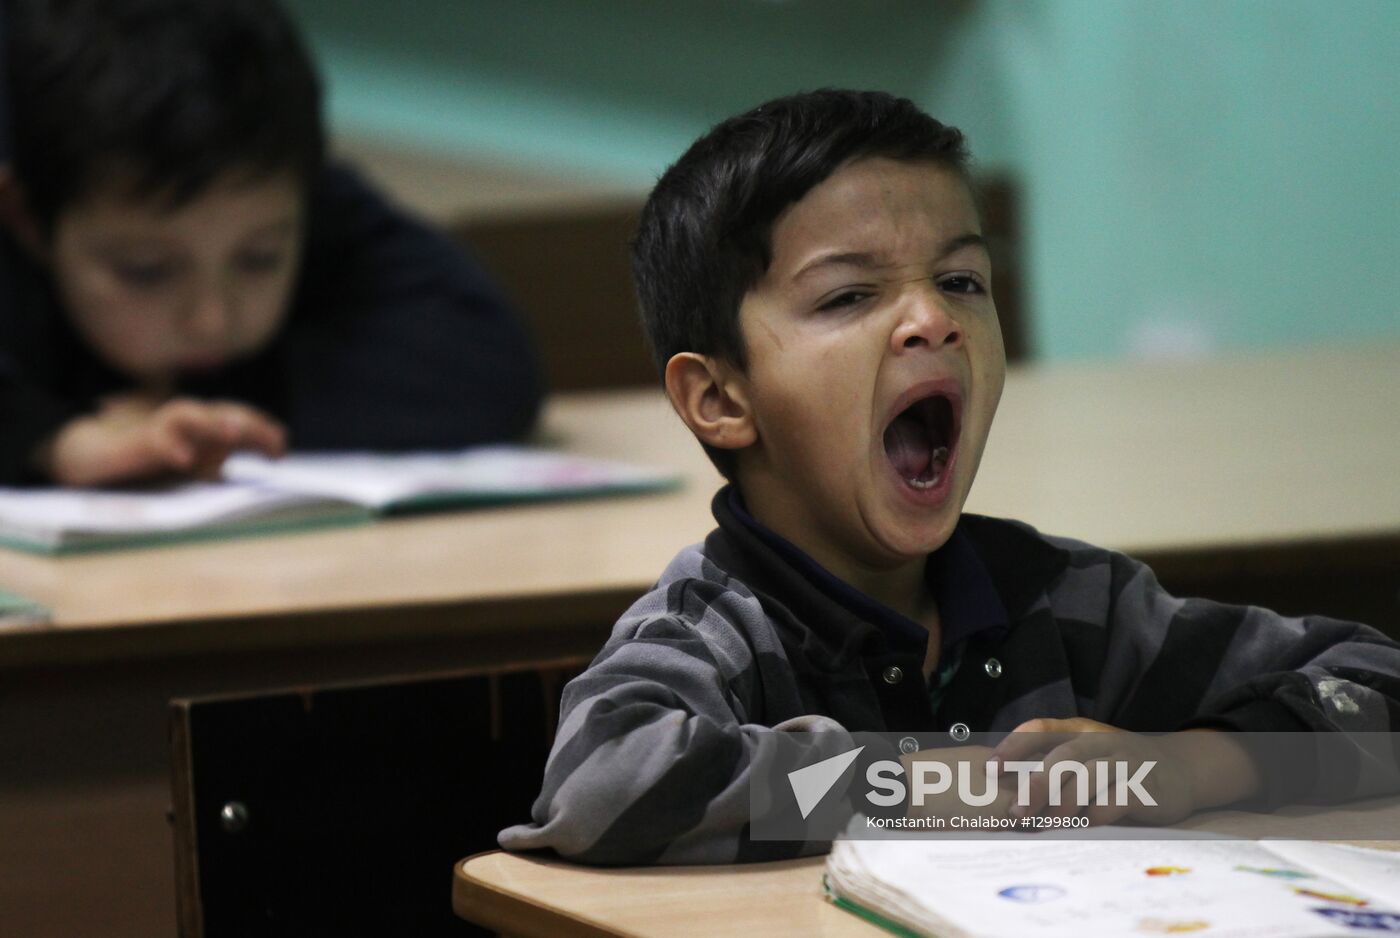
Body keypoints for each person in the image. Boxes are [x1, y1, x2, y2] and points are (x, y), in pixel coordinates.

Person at [497, 90, 1400, 865]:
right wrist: (940, 784)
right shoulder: (715, 631)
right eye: (849, 296)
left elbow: (1377, 684)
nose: (931, 318)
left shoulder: (1071, 605)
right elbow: (605, 785)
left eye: (963, 280)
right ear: (721, 398)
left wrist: (1198, 764)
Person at [0, 0, 542, 487]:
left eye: (260, 258)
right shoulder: (51, 157)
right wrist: (54, 438)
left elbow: (490, 364)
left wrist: (210, 417)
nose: (212, 320)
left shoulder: (270, 168)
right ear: (26, 219)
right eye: (147, 271)